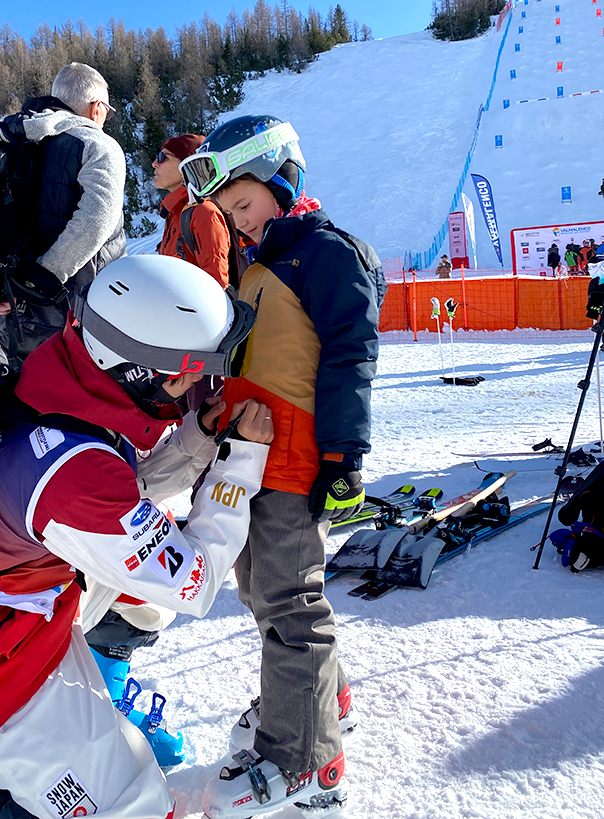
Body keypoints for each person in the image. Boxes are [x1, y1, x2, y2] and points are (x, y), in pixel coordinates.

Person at [0, 254, 273, 819]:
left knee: (132, 734)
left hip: (1, 626)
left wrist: (198, 438)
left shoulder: (62, 378)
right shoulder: (76, 475)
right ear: (142, 371)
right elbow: (194, 582)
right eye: (194, 371)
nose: (200, 385)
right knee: (130, 806)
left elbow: (114, 492)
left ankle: (9, 788)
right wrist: (242, 462)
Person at [180, 115, 386, 818]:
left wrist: (343, 457)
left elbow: (352, 355)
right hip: (252, 454)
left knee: (291, 603)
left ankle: (307, 761)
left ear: (283, 182)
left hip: (298, 458)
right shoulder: (262, 261)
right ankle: (323, 700)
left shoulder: (324, 253)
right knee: (260, 588)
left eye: (242, 206)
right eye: (228, 214)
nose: (236, 224)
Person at [0, 62, 126, 366]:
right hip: (77, 315)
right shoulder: (97, 145)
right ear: (96, 107)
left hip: (9, 316)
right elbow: (95, 220)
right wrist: (40, 280)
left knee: (27, 403)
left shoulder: (11, 145)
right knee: (81, 409)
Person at [154, 133, 233, 289]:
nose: (155, 164)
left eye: (164, 157)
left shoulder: (204, 213)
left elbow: (216, 288)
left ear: (189, 164)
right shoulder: (175, 212)